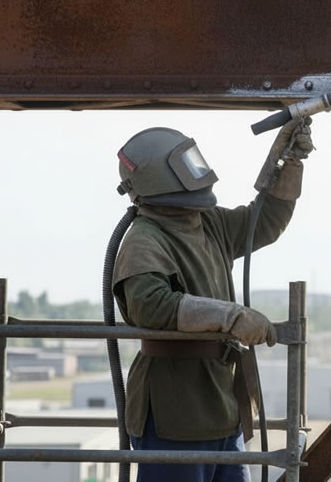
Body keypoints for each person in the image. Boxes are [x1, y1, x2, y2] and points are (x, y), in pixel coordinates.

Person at [111, 119, 313, 482]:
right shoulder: (144, 238)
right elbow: (151, 305)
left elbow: (262, 222)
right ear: (163, 177)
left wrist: (284, 163)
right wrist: (230, 316)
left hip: (221, 401)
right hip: (174, 411)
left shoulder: (207, 223)